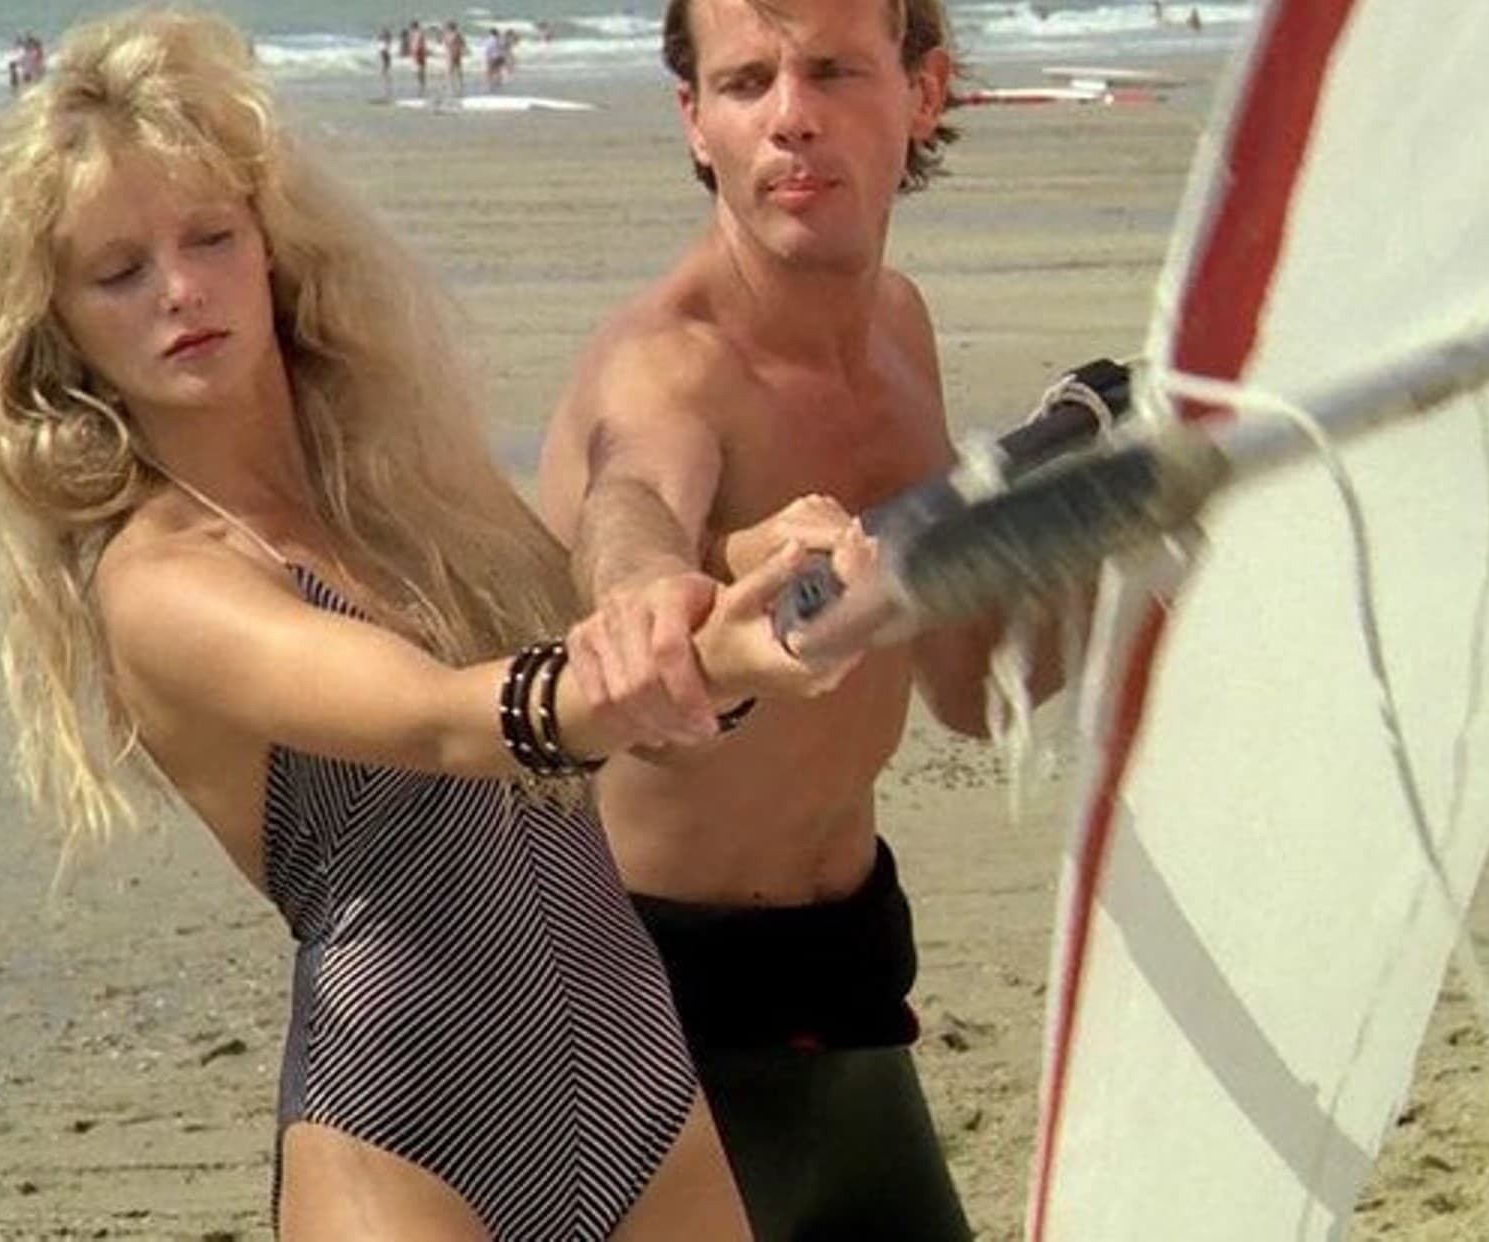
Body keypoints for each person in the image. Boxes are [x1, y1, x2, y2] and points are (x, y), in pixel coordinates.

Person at [0, 9, 874, 1236]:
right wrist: (690, 656)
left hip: (640, 1079)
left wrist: (736, 579)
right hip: (402, 1130)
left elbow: (591, 648)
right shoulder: (162, 581)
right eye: (119, 272)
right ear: (62, 326)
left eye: (210, 236)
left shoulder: (403, 489)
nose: (181, 290)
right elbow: (441, 722)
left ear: (270, 248)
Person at [535, 0, 1046, 1237]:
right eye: (746, 81)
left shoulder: (898, 329)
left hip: (847, 973)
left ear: (924, 93)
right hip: (649, 1006)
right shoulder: (669, 364)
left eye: (830, 70)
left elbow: (971, 691)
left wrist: (1092, 539)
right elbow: (632, 495)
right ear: (693, 120)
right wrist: (644, 597)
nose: (790, 118)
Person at [378, 25, 394, 98]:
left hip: (385, 54)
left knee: (384, 70)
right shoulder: (386, 39)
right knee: (385, 70)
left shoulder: (385, 39)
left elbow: (384, 46)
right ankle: (387, 84)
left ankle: (387, 85)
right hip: (385, 54)